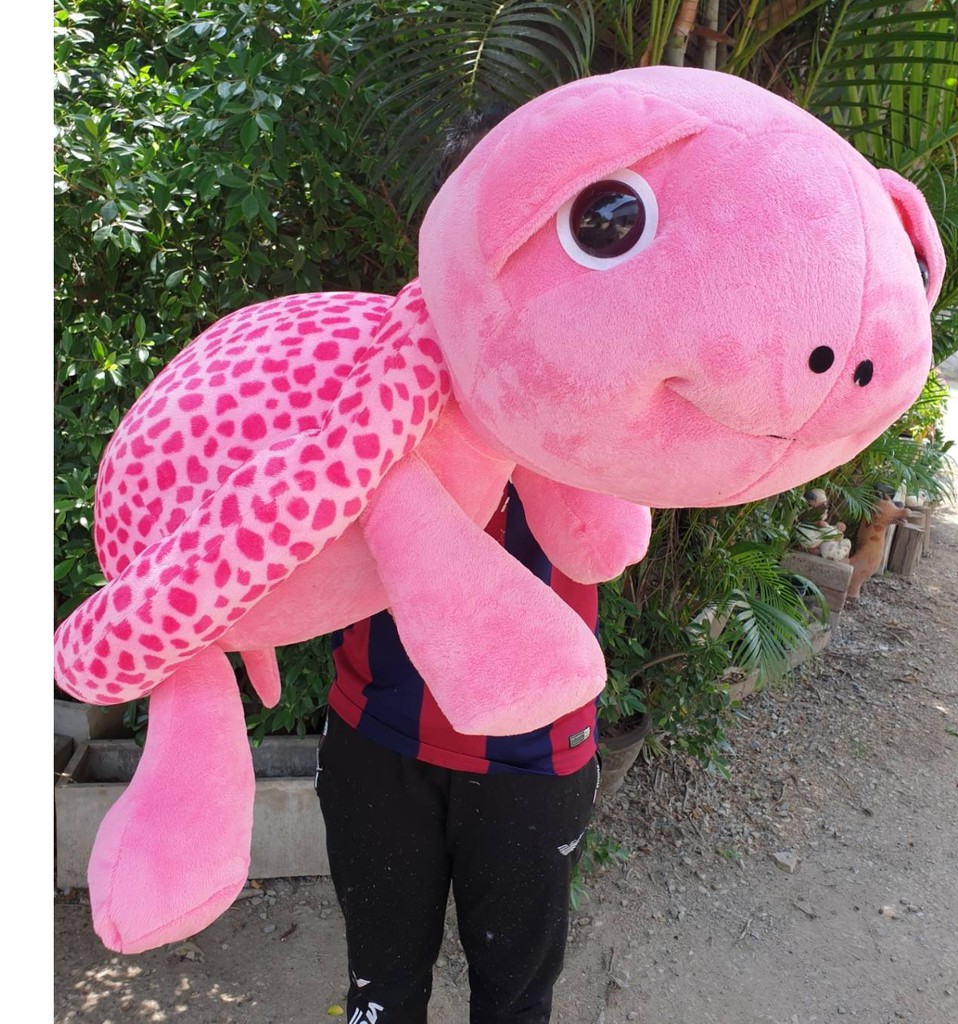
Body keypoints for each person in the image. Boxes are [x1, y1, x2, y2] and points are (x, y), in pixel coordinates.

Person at [315, 103, 601, 1024]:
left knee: (514, 1005)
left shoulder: (615, 369)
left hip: (534, 753)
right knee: (379, 994)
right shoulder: (371, 354)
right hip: (379, 732)